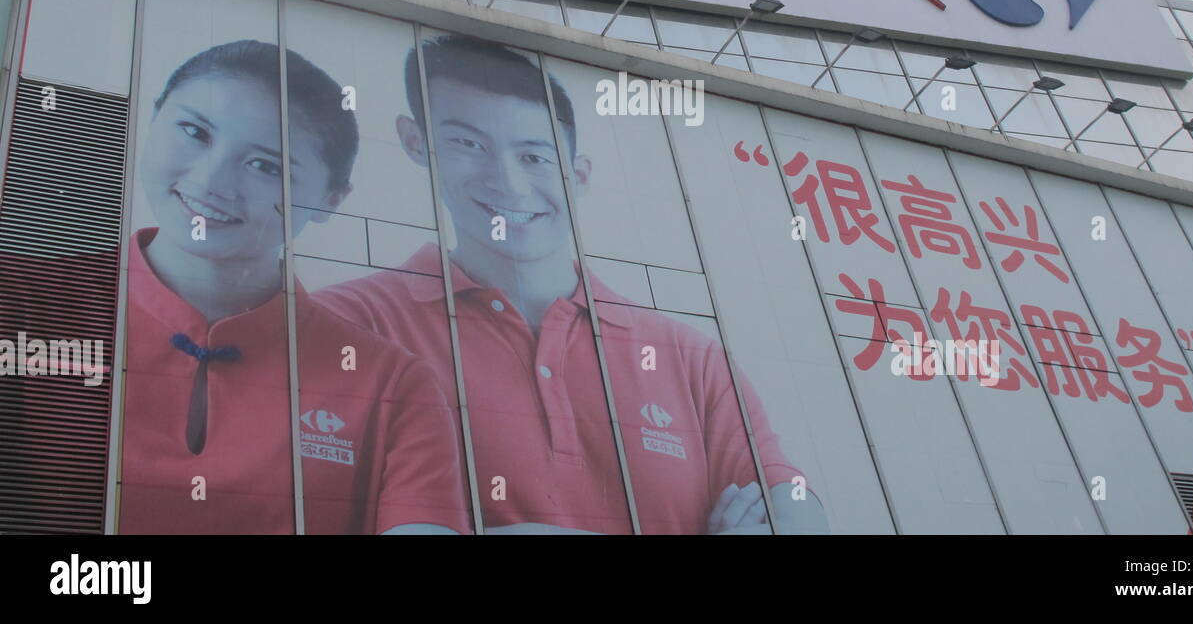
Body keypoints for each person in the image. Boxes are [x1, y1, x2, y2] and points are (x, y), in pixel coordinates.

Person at [315, 34, 829, 534]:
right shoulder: (339, 328)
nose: (508, 183)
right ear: (416, 143)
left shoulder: (689, 359)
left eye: (535, 157)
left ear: (578, 174)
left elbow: (793, 507)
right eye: (468, 144)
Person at [119, 39, 468, 534]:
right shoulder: (23, 303)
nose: (212, 180)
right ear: (153, 117)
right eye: (195, 132)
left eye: (266, 165)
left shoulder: (392, 385)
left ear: (331, 198)